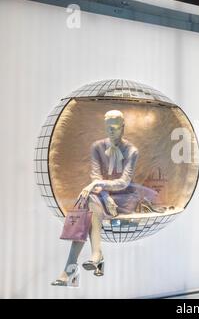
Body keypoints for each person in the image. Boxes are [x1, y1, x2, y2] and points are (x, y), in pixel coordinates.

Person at [51, 110, 157, 287]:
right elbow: (95, 176)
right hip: (102, 196)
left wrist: (97, 187)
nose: (111, 131)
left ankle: (70, 269)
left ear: (123, 128)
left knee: (88, 208)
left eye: (115, 128)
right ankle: (95, 255)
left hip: (124, 198)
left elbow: (123, 182)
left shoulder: (132, 151)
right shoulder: (97, 147)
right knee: (90, 205)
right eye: (108, 128)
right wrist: (105, 196)